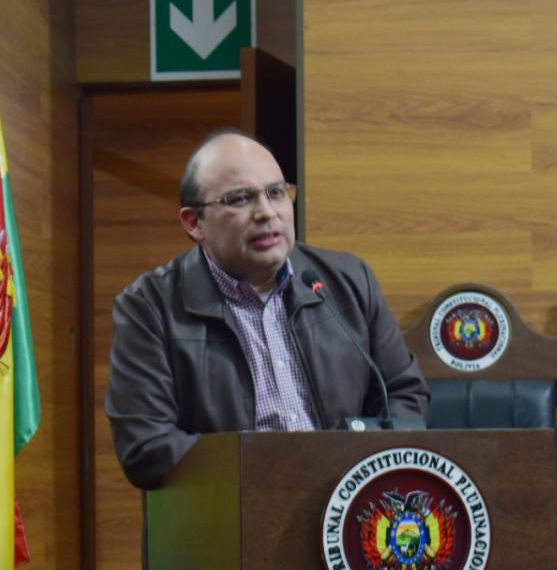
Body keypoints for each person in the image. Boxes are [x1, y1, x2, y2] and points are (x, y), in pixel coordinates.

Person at [105, 129, 429, 490]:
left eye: (276, 193)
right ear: (194, 223)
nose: (266, 212)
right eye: (240, 199)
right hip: (226, 520)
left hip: (346, 511)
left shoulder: (348, 281)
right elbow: (146, 447)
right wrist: (276, 475)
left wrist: (357, 474)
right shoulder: (149, 307)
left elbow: (402, 393)